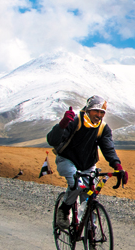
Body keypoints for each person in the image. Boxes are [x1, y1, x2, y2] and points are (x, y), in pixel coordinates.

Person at [48, 95, 128, 230]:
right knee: (77, 185)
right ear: (88, 109)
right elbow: (52, 141)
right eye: (96, 111)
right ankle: (64, 209)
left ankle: (91, 234)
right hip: (66, 160)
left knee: (90, 196)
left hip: (88, 165)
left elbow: (108, 148)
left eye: (102, 112)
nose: (99, 115)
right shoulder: (75, 121)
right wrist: (62, 125)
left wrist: (117, 166)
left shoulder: (103, 128)